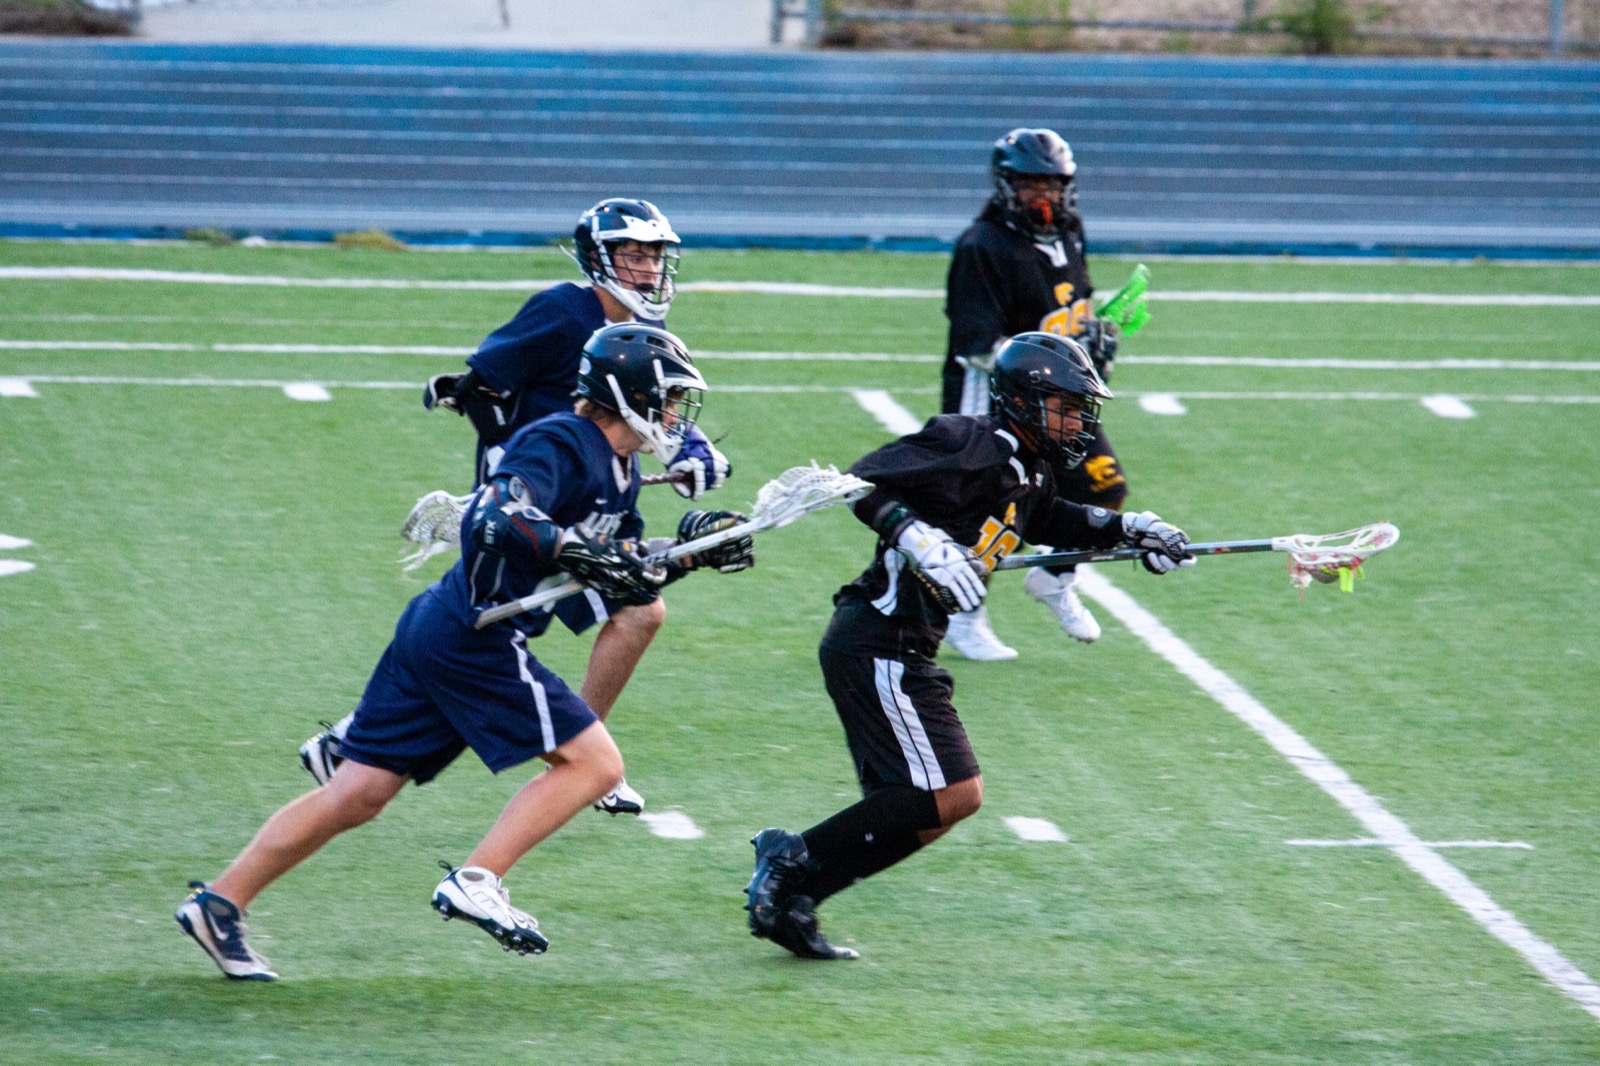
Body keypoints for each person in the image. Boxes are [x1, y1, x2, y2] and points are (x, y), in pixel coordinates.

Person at [179, 324, 755, 980]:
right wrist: (570, 545)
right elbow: (495, 514)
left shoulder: (619, 472)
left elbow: (616, 577)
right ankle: (478, 879)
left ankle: (219, 904)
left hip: (440, 628)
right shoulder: (562, 440)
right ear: (629, 395)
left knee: (358, 793)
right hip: (474, 637)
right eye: (671, 399)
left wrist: (686, 554)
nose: (679, 417)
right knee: (595, 765)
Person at [742, 332, 1192, 961]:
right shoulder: (968, 441)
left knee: (942, 802)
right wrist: (920, 539)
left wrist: (1132, 529)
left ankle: (798, 893)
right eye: (1066, 404)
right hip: (878, 637)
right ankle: (791, 863)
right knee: (943, 794)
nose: (1078, 419)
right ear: (1025, 401)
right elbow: (861, 481)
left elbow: (1045, 519)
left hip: (905, 648)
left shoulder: (1027, 465)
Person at [299, 199, 730, 817]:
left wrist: (693, 449)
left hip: (586, 495)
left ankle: (350, 743)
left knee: (528, 621)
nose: (647, 270)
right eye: (633, 256)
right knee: (524, 620)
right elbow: (481, 384)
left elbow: (649, 403)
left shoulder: (636, 337)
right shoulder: (562, 311)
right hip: (537, 499)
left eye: (655, 257)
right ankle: (586, 758)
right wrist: (509, 479)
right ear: (599, 259)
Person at [940, 128, 1134, 661]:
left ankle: (1054, 577)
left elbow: (1078, 303)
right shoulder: (982, 247)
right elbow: (977, 347)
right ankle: (965, 613)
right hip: (996, 400)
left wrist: (1094, 341)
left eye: (1051, 183)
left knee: (1104, 489)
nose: (1042, 196)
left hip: (1060, 399)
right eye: (1029, 185)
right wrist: (1062, 349)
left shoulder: (1070, 233)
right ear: (1006, 186)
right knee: (995, 507)